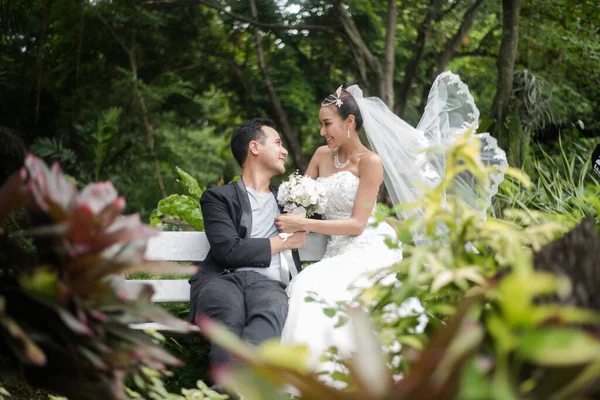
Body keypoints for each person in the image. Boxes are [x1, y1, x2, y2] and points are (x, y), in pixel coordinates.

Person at [276, 72, 508, 385]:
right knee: (311, 288)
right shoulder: (320, 155)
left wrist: (302, 222)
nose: (322, 131)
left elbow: (358, 224)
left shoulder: (370, 162)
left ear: (349, 123)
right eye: (321, 124)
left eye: (327, 123)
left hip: (366, 246)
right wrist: (295, 200)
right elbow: (303, 204)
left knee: (313, 286)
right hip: (336, 248)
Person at [188, 118, 308, 367]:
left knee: (269, 316)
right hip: (222, 279)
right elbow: (228, 251)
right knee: (228, 321)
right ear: (254, 147)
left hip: (269, 284)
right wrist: (284, 241)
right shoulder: (218, 197)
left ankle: (240, 387)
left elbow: (342, 212)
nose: (284, 150)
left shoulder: (292, 198)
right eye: (277, 143)